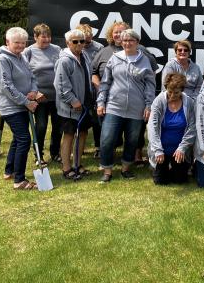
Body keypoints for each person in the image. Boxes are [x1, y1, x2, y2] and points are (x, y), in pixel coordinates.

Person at [96, 29, 155, 183]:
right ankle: (107, 171)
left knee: (132, 140)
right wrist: (101, 102)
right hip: (114, 106)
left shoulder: (144, 60)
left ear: (137, 42)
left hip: (136, 108)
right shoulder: (114, 59)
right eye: (125, 41)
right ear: (121, 43)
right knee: (107, 138)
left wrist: (149, 105)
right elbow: (105, 83)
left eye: (131, 40)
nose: (128, 43)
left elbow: (150, 85)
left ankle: (126, 169)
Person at [0, 27, 38, 190]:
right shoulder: (2, 59)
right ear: (7, 42)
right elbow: (6, 86)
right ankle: (19, 180)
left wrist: (33, 90)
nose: (20, 46)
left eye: (23, 43)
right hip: (11, 107)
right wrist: (26, 101)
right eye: (16, 43)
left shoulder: (22, 56)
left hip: (23, 105)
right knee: (24, 139)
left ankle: (9, 170)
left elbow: (32, 76)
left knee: (17, 139)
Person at [54, 29, 94, 180]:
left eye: (82, 41)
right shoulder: (64, 60)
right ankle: (66, 168)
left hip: (85, 105)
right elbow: (61, 85)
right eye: (75, 41)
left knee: (83, 133)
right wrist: (72, 101)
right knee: (69, 136)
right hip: (70, 108)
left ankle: (78, 164)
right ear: (67, 43)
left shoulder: (85, 56)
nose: (79, 44)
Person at [22, 23, 62, 164]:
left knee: (58, 127)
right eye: (43, 37)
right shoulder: (28, 52)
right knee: (41, 126)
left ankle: (55, 152)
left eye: (49, 37)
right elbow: (24, 76)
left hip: (56, 97)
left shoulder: (57, 49)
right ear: (35, 37)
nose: (47, 40)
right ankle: (38, 156)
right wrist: (35, 93)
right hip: (39, 97)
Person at [147, 73, 196, 185]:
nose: (172, 95)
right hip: (162, 149)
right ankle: (158, 167)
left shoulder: (189, 102)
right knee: (160, 182)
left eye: (176, 93)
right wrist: (158, 150)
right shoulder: (159, 101)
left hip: (179, 151)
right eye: (169, 92)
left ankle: (181, 167)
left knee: (180, 181)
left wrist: (182, 148)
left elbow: (192, 128)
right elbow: (152, 127)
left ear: (182, 90)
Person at [76, 23, 104, 160]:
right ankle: (78, 147)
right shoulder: (73, 47)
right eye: (83, 41)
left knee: (96, 120)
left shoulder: (99, 48)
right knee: (80, 121)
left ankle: (98, 147)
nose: (85, 44)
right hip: (80, 91)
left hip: (95, 90)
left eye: (88, 40)